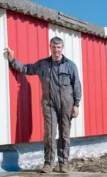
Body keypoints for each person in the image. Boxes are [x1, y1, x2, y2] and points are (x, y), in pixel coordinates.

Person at [4, 37, 82, 173]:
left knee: (64, 135)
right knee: (49, 134)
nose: (56, 50)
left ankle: (63, 163)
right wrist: (12, 60)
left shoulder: (70, 65)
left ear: (62, 48)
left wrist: (76, 104)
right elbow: (27, 69)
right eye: (54, 47)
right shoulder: (43, 65)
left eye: (58, 47)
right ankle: (49, 163)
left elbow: (76, 86)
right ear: (50, 47)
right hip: (49, 104)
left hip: (66, 105)